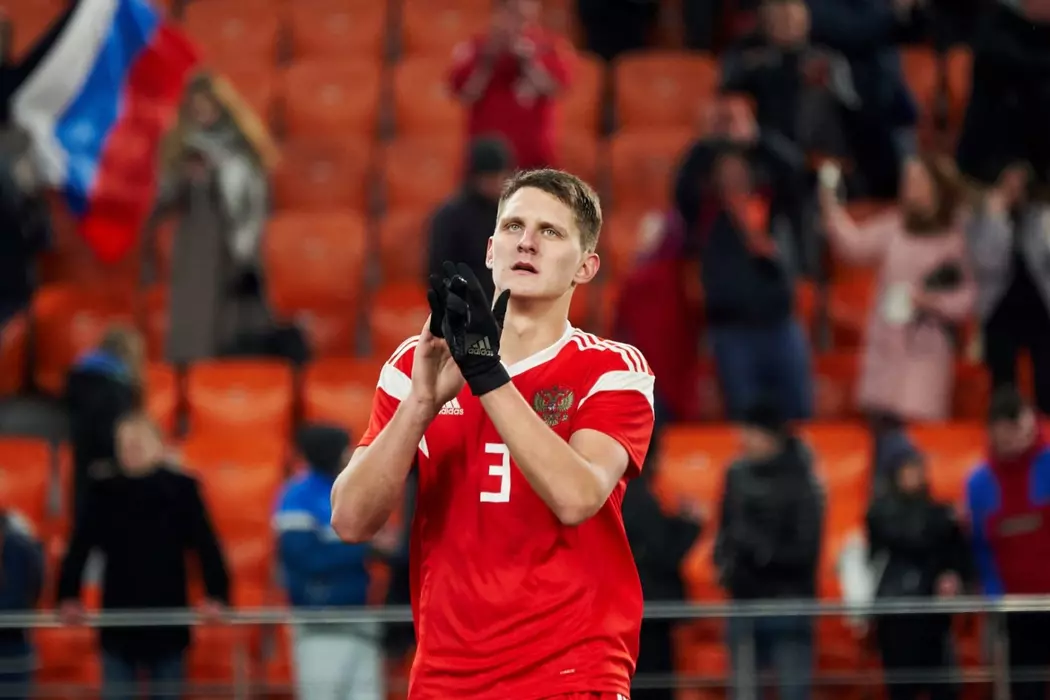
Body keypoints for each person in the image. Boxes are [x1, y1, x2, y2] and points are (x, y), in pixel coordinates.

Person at [331, 169, 656, 699]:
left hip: (572, 670)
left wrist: (486, 374)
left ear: (586, 266)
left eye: (550, 232)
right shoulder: (416, 366)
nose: (526, 242)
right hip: (445, 676)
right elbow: (350, 520)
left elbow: (577, 497)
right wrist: (421, 404)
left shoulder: (612, 369)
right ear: (490, 250)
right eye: (513, 227)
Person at [58, 412, 229, 700]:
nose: (131, 451)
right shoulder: (102, 491)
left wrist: (217, 594)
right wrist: (68, 595)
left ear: (159, 446)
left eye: (138, 444)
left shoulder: (182, 489)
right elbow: (79, 547)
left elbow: (206, 546)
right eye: (125, 445)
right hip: (118, 618)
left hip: (168, 617)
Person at [714, 398, 823, 700]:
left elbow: (806, 550)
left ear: (772, 437)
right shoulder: (735, 474)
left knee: (793, 691)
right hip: (744, 598)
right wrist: (723, 560)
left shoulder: (804, 480)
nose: (744, 440)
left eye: (751, 432)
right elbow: (725, 528)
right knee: (744, 692)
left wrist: (762, 551)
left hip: (789, 601)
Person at [275, 424, 390, 700]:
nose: (351, 455)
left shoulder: (349, 489)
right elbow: (305, 558)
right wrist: (366, 548)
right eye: (345, 449)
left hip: (360, 618)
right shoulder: (297, 495)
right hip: (319, 623)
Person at [867, 442, 970, 700]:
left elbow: (957, 555)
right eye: (908, 468)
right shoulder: (881, 513)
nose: (915, 474)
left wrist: (952, 573)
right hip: (895, 616)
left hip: (934, 617)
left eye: (917, 467)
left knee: (944, 687)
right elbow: (908, 536)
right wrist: (945, 521)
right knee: (902, 688)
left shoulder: (938, 511)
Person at [966, 386, 1050, 700]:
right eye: (1001, 434)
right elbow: (980, 548)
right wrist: (993, 595)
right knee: (1025, 687)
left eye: (1015, 432)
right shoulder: (979, 483)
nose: (1009, 441)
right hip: (1013, 610)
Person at [427, 137, 516, 301]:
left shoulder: (514, 212)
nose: (496, 183)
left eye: (500, 177)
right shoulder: (451, 216)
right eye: (490, 178)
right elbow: (440, 270)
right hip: (466, 302)